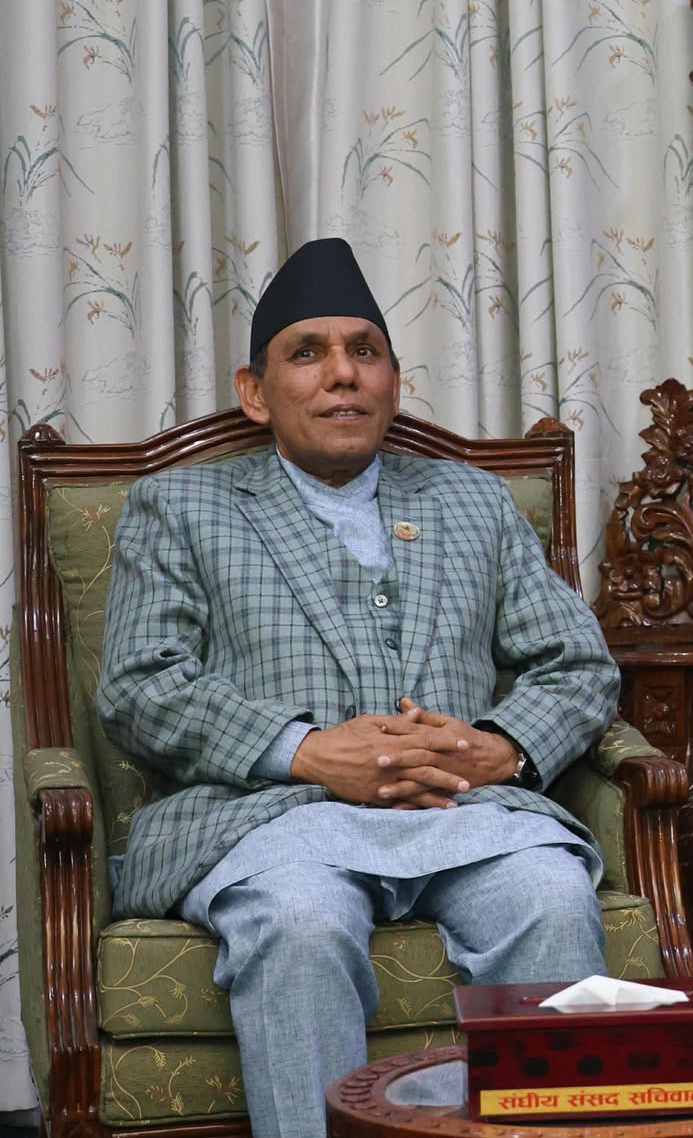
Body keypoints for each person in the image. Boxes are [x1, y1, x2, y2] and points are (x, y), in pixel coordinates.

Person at [98, 238, 620, 1138]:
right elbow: (139, 684)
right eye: (308, 352)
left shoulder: (474, 501)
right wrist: (304, 751)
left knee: (551, 894)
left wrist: (499, 749)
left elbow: (580, 663)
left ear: (394, 382)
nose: (342, 373)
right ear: (255, 391)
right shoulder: (180, 508)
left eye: (364, 351)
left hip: (465, 813)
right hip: (273, 823)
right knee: (300, 921)